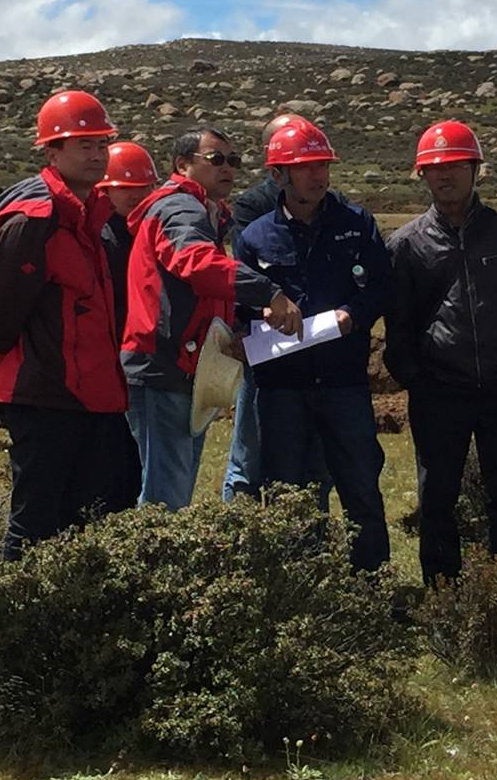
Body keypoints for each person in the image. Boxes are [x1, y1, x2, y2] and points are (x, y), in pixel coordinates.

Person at [384, 119, 497, 585]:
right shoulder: (404, 245)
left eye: (456, 164)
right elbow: (397, 326)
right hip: (440, 393)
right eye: (434, 167)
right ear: (422, 176)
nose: (445, 175)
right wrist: (416, 378)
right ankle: (443, 596)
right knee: (438, 497)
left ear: (476, 169)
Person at [0, 90, 130, 559]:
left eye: (102, 144)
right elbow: (1, 306)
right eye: (84, 144)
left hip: (90, 393)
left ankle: (70, 618)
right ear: (52, 151)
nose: (97, 154)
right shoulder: (37, 218)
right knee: (37, 520)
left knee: (98, 508)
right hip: (46, 394)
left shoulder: (91, 216)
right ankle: (18, 619)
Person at [234, 121, 392, 570]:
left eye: (322, 165)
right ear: (279, 174)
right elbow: (237, 309)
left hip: (344, 385)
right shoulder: (256, 237)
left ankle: (373, 587)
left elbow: (381, 286)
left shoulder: (356, 223)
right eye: (305, 167)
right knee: (290, 494)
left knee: (361, 486)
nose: (317, 176)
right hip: (281, 390)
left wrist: (354, 315)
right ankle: (306, 595)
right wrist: (257, 314)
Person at [123, 124, 303, 510]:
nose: (228, 168)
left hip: (177, 366)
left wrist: (233, 329)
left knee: (170, 488)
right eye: (216, 159)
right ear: (182, 164)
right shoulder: (180, 208)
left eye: (233, 161)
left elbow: (199, 291)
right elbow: (196, 263)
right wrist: (267, 291)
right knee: (165, 498)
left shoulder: (202, 212)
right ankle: (151, 568)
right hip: (164, 367)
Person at [221, 112, 335, 504]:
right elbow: (245, 274)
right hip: (266, 349)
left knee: (313, 459)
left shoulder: (333, 207)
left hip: (317, 351)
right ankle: (241, 530)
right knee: (249, 455)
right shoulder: (253, 208)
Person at [96, 141, 159, 512]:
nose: (137, 195)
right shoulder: (103, 238)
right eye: (127, 187)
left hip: (137, 362)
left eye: (145, 187)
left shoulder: (147, 232)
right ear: (106, 190)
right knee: (114, 461)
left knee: (134, 462)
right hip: (110, 362)